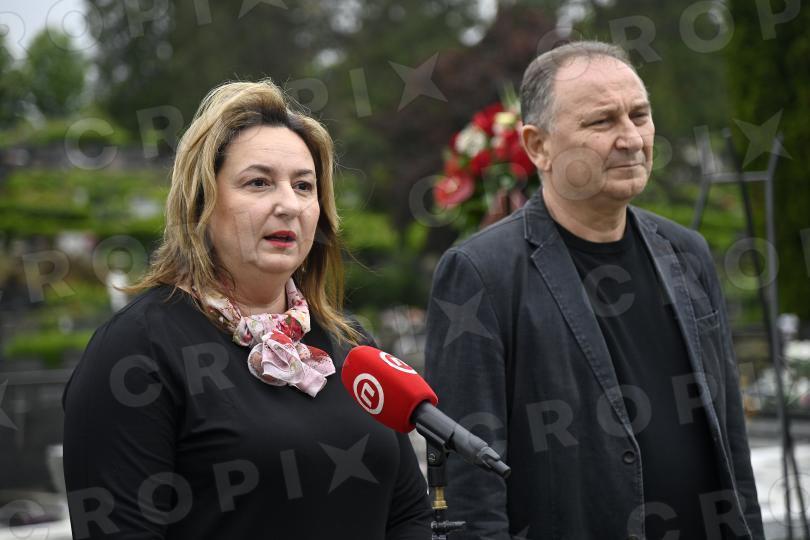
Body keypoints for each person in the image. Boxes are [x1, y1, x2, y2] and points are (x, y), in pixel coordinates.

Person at [424, 41, 764, 540]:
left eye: (639, 115)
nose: (631, 138)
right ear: (538, 146)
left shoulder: (686, 252)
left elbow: (730, 438)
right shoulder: (481, 272)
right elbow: (470, 484)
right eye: (602, 122)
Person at [63, 79, 431, 539]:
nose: (289, 205)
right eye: (259, 183)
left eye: (304, 186)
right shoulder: (135, 351)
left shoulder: (351, 344)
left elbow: (410, 515)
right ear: (202, 201)